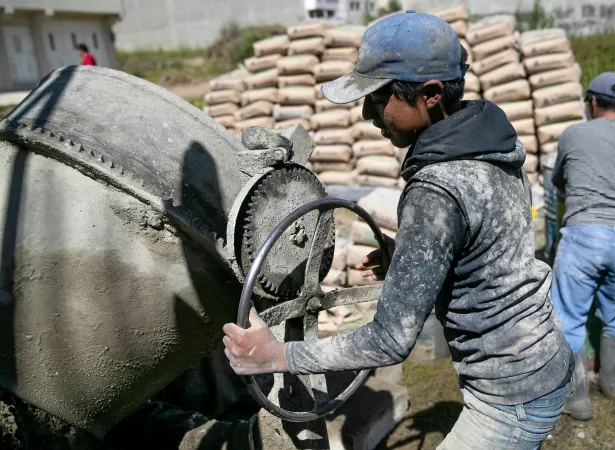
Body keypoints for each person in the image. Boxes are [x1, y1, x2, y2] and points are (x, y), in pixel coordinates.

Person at [222, 11, 572, 449]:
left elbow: (389, 340)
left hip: (509, 397)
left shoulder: (436, 190)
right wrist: (413, 260)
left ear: (429, 94)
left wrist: (276, 355)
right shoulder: (496, 143)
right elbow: (491, 248)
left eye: (378, 97)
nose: (368, 113)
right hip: (543, 357)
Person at [549, 72, 615, 420]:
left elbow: (558, 181)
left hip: (583, 234)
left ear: (593, 102)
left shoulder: (575, 134)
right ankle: (611, 385)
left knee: (568, 317)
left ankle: (577, 399)